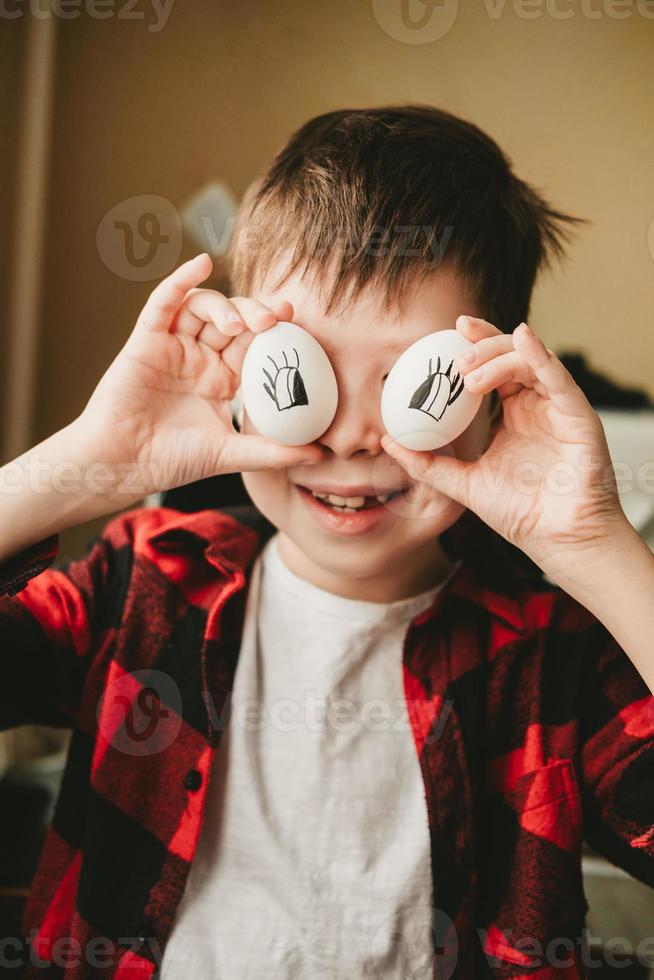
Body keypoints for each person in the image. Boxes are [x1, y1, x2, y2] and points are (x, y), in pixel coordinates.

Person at [1, 105, 653, 980]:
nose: (346, 438)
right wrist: (85, 462)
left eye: (409, 384)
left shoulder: (554, 660)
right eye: (303, 370)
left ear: (495, 396)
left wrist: (597, 547)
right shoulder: (143, 579)